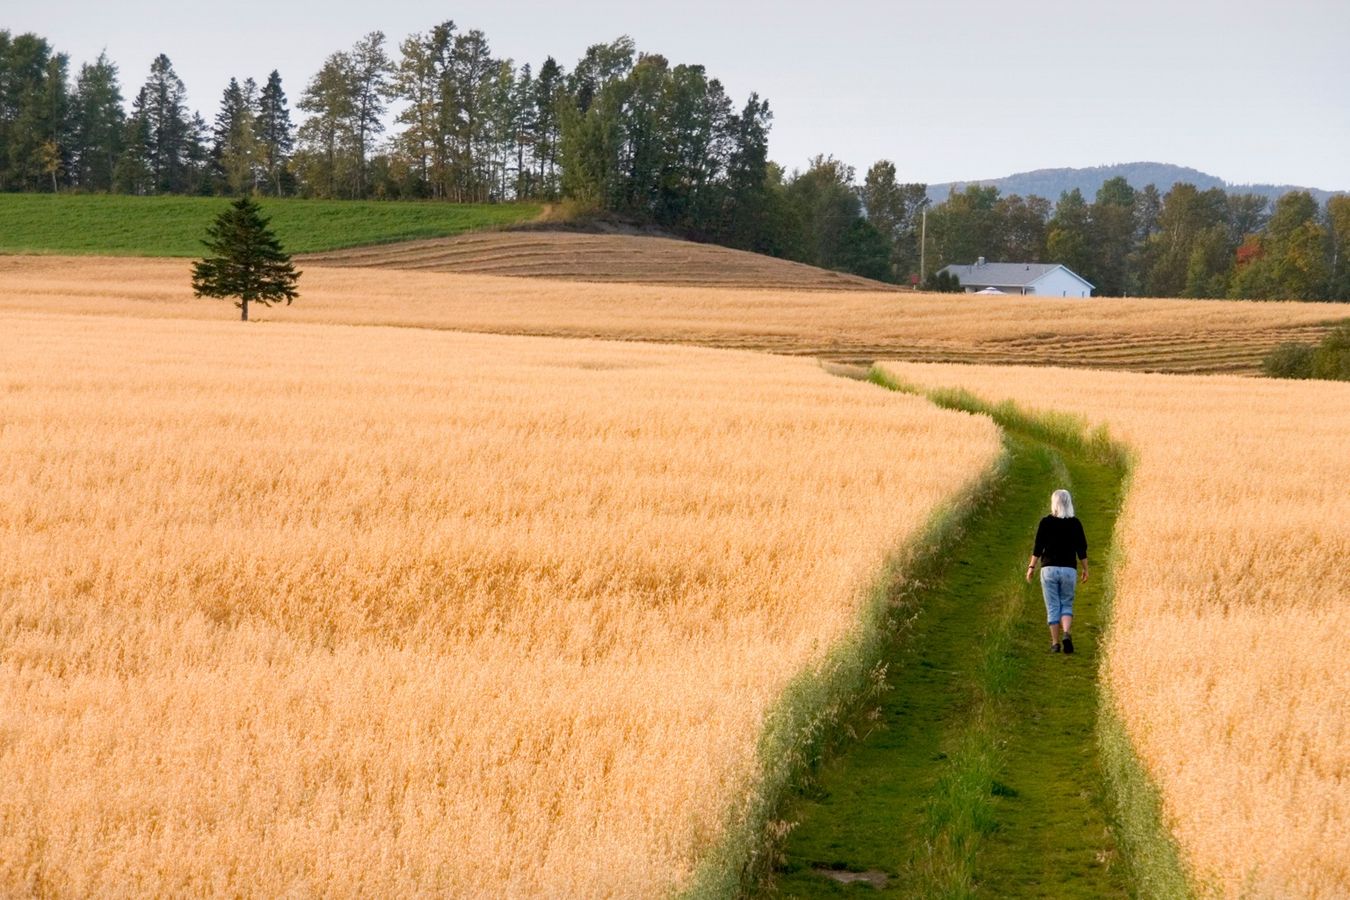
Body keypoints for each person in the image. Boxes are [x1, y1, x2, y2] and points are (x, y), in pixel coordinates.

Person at [1025, 489, 1088, 654]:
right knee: (1066, 603)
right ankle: (1066, 633)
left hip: (1049, 569)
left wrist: (1031, 567)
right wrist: (1085, 569)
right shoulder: (1075, 523)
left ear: (1054, 503)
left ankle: (1055, 643)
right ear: (1069, 503)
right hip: (1068, 569)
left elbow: (1038, 547)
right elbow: (1082, 549)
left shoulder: (1046, 522)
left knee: (1052, 605)